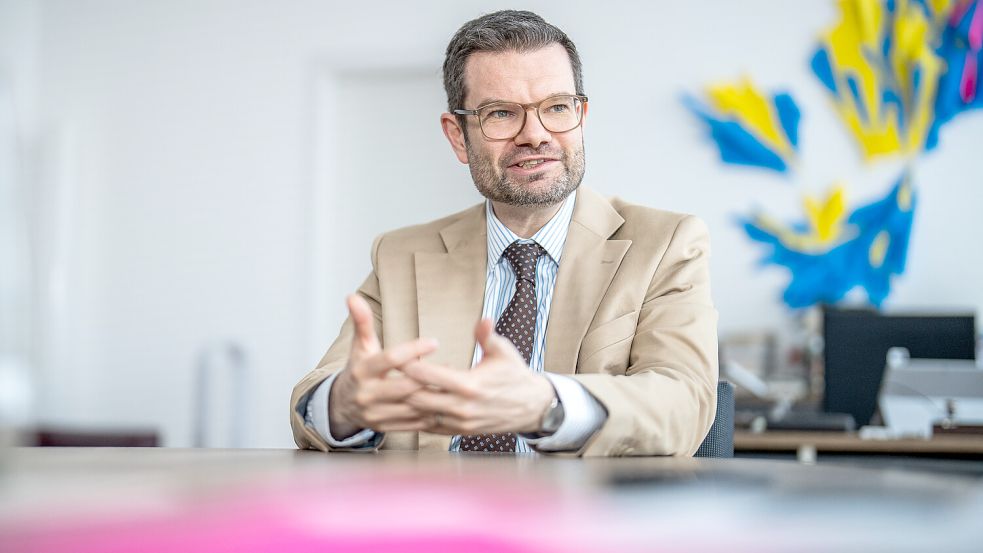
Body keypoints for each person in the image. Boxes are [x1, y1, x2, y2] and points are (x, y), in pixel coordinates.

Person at [290, 10, 717, 456]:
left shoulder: (666, 244)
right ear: (458, 137)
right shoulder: (400, 254)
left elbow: (684, 402)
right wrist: (343, 403)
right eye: (501, 114)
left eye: (556, 107)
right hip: (434, 516)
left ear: (581, 115)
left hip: (584, 518)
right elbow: (313, 402)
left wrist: (547, 405)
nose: (535, 134)